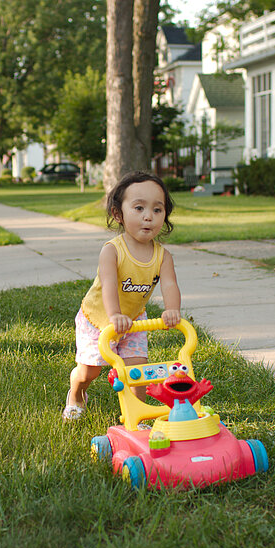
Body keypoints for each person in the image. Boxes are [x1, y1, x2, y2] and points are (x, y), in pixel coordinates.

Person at [62, 170, 181, 420]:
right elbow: (108, 285)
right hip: (98, 320)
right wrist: (114, 315)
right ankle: (76, 393)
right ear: (118, 214)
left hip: (134, 320)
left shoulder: (163, 256)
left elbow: (169, 284)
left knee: (138, 371)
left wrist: (172, 310)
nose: (148, 216)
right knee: (89, 372)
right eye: (139, 208)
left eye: (157, 210)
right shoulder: (112, 251)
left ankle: (138, 416)